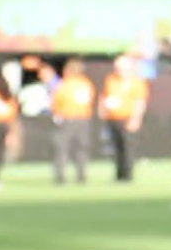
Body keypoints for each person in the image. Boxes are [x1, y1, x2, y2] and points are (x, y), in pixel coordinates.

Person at [98, 54, 150, 184]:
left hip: (127, 117)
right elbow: (104, 96)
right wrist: (103, 111)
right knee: (116, 148)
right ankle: (119, 174)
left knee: (127, 148)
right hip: (113, 118)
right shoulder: (111, 80)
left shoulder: (136, 82)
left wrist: (136, 118)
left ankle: (127, 175)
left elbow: (140, 101)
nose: (119, 71)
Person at [45, 58, 96, 186]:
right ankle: (81, 175)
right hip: (83, 119)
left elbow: (56, 102)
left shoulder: (65, 85)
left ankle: (60, 176)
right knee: (82, 148)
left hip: (67, 118)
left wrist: (55, 113)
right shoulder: (86, 84)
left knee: (61, 147)